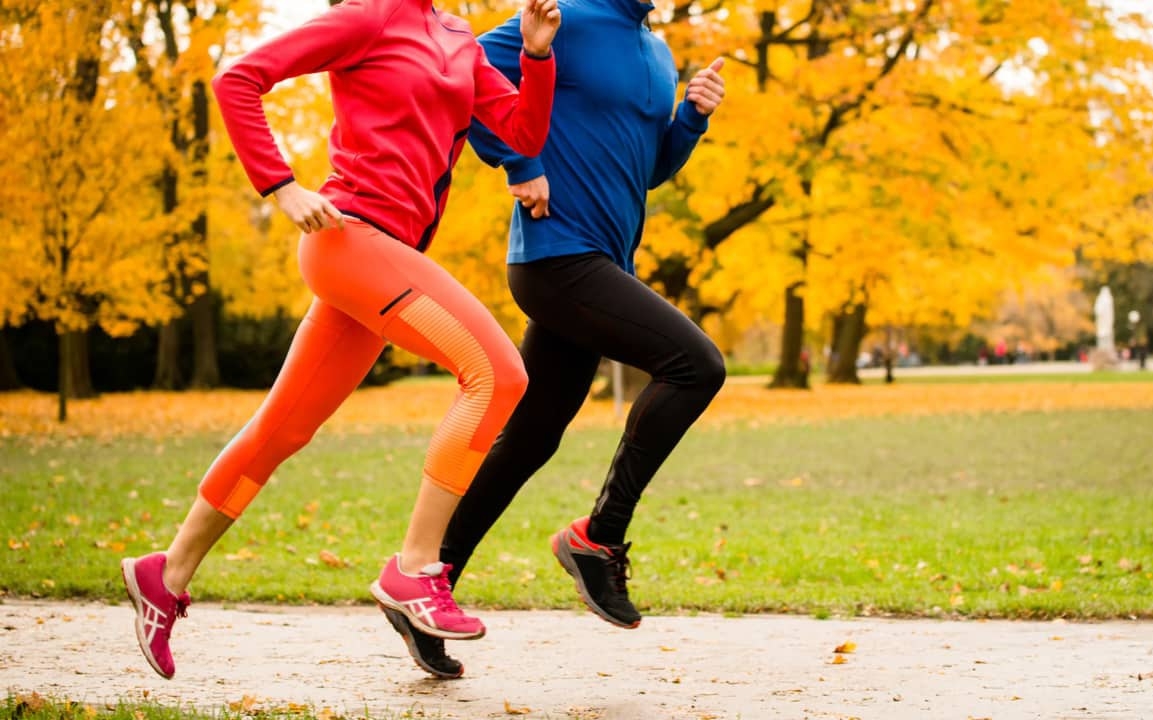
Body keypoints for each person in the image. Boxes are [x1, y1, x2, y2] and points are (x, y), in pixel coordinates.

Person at [119, 0, 561, 680]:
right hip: (349, 239)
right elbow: (239, 80)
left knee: (280, 430)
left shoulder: (457, 41)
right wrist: (281, 186)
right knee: (499, 375)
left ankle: (165, 573)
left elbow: (524, 133)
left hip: (388, 258)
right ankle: (415, 568)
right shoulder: (369, 16)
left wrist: (536, 55)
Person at [382, 0, 727, 679]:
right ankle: (597, 538)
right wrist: (516, 162)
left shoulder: (655, 51)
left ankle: (422, 585)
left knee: (531, 438)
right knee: (696, 365)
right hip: (556, 256)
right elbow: (465, 73)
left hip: (602, 259)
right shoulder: (563, 16)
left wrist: (690, 119)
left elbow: (646, 169)